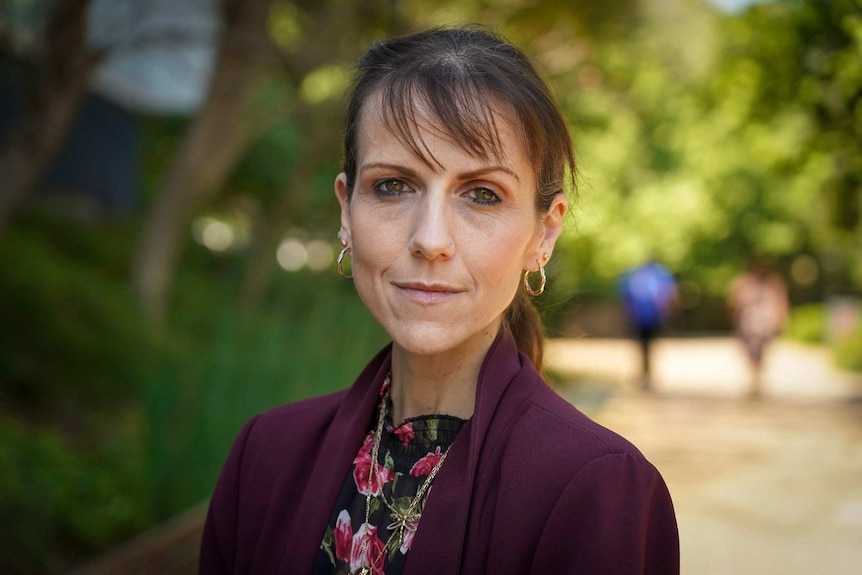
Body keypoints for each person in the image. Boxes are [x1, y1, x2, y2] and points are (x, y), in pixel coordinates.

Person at [199, 26, 678, 575]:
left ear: (543, 234)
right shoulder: (266, 456)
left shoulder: (597, 488)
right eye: (393, 186)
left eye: (482, 194)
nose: (431, 239)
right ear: (345, 211)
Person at [728, 262, 789, 398]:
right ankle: (754, 377)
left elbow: (779, 302)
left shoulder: (772, 283)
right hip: (748, 322)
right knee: (750, 351)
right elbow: (735, 300)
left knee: (761, 351)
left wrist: (780, 319)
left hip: (764, 323)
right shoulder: (744, 281)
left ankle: (756, 378)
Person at [618, 261, 678, 391]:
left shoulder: (635, 277)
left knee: (644, 347)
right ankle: (646, 374)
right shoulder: (657, 276)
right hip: (648, 317)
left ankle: (645, 374)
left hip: (642, 317)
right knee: (646, 347)